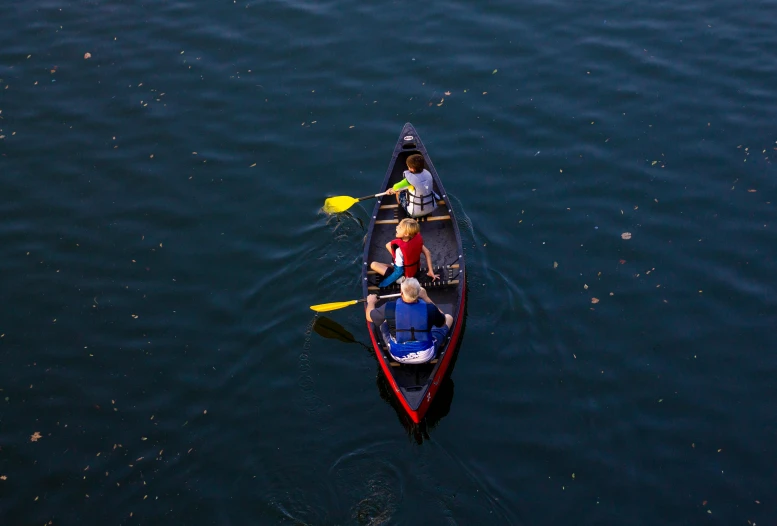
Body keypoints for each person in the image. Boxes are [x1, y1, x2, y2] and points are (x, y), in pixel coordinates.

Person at [366, 278, 454, 364]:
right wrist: (426, 297)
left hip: (398, 357)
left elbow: (369, 317)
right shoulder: (430, 308)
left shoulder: (389, 308)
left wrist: (371, 302)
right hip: (426, 356)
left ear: (401, 293)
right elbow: (443, 322)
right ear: (418, 293)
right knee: (449, 317)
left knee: (383, 321)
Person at [370, 218, 439, 288]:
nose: (396, 227)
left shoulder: (399, 250)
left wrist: (383, 284)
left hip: (404, 277)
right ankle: (394, 266)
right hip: (414, 269)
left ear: (406, 234)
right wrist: (430, 271)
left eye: (399, 227)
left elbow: (398, 272)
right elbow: (427, 252)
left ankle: (399, 278)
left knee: (373, 265)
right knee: (388, 245)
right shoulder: (415, 238)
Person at [386, 154, 437, 218]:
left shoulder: (408, 181)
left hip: (415, 213)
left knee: (398, 192)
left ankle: (402, 209)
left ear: (412, 169)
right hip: (431, 208)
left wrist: (390, 190)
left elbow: (395, 188)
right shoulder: (428, 174)